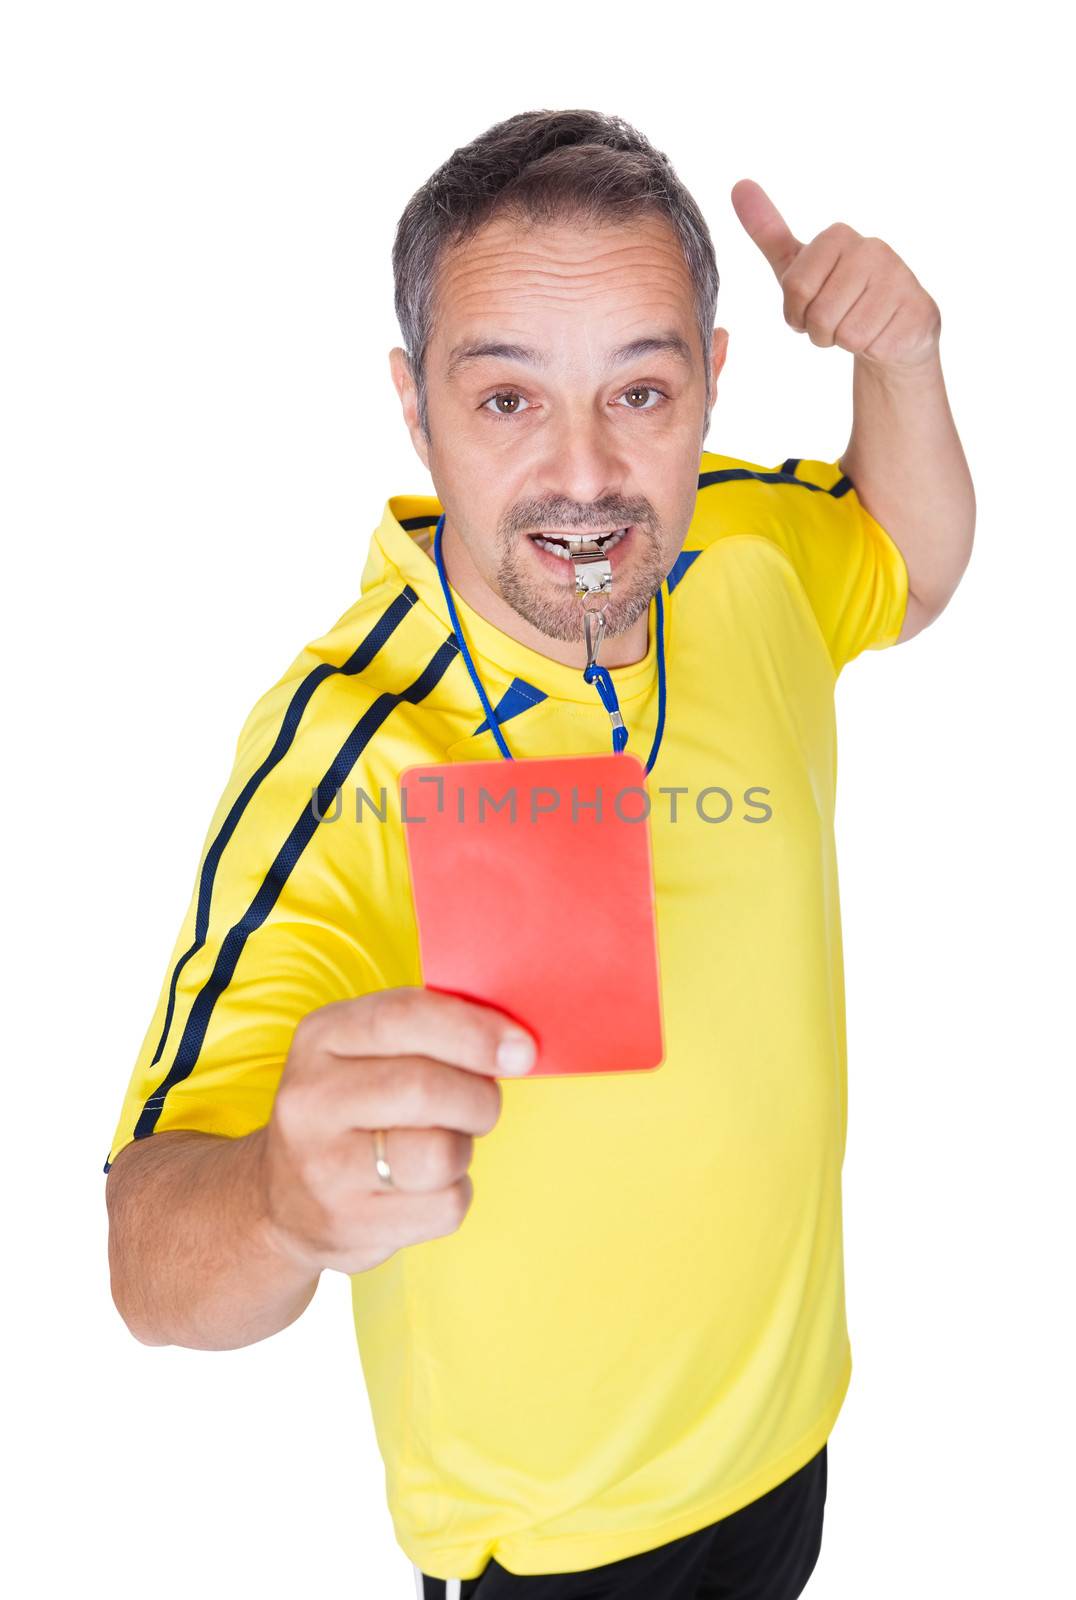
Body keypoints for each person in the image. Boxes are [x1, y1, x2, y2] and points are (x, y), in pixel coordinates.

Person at [103, 109, 974, 1598]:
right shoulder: (347, 748)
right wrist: (272, 1201)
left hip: (788, 1439)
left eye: (640, 390)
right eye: (507, 401)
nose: (586, 476)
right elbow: (147, 1260)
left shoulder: (748, 552)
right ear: (413, 407)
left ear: (711, 379)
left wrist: (905, 356)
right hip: (551, 1549)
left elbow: (913, 561)